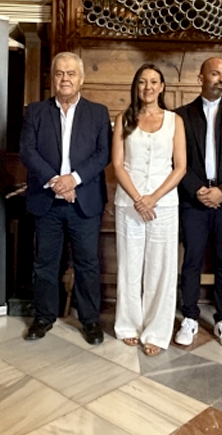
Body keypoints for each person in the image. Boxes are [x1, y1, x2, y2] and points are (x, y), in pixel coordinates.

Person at [19, 52, 111, 344]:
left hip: (84, 201)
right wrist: (57, 182)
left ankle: (90, 320)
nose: (65, 79)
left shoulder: (98, 113)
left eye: (71, 73)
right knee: (45, 263)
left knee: (87, 263)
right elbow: (27, 151)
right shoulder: (36, 111)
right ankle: (44, 316)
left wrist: (74, 179)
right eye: (59, 73)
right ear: (53, 78)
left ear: (81, 79)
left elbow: (103, 154)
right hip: (46, 201)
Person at [173, 58, 222, 347]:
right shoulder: (181, 116)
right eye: (215, 73)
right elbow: (175, 158)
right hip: (192, 201)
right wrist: (197, 189)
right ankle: (189, 317)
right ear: (200, 78)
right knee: (192, 260)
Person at [112, 64, 187, 356]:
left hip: (163, 204)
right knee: (129, 266)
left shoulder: (174, 121)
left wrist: (153, 197)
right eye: (143, 82)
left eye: (154, 82)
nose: (148, 87)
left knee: (161, 268)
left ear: (162, 87)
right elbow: (118, 164)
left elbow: (180, 167)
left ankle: (156, 331)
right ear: (136, 86)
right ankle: (128, 326)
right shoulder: (124, 118)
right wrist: (138, 198)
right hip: (129, 203)